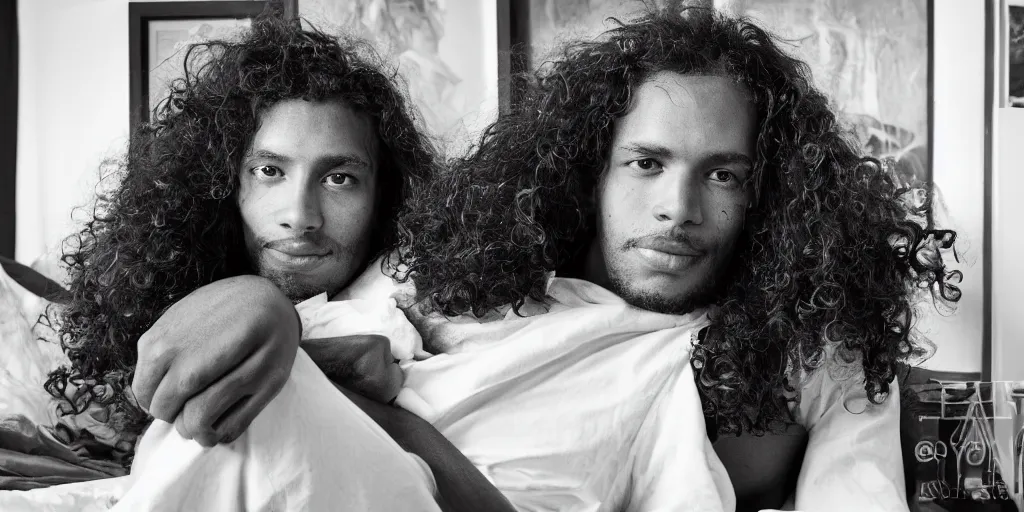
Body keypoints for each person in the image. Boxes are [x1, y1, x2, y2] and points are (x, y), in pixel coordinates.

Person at [54, 6, 960, 512]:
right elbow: (309, 347)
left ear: (766, 194)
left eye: (722, 175)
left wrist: (304, 357)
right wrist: (267, 308)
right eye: (646, 163)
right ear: (592, 168)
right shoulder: (462, 272)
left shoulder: (756, 353)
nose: (677, 209)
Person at [36, 14, 512, 512]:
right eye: (269, 170)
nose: (300, 216)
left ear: (384, 198)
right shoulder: (155, 305)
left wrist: (296, 352)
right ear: (223, 183)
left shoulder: (435, 311)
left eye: (340, 179)